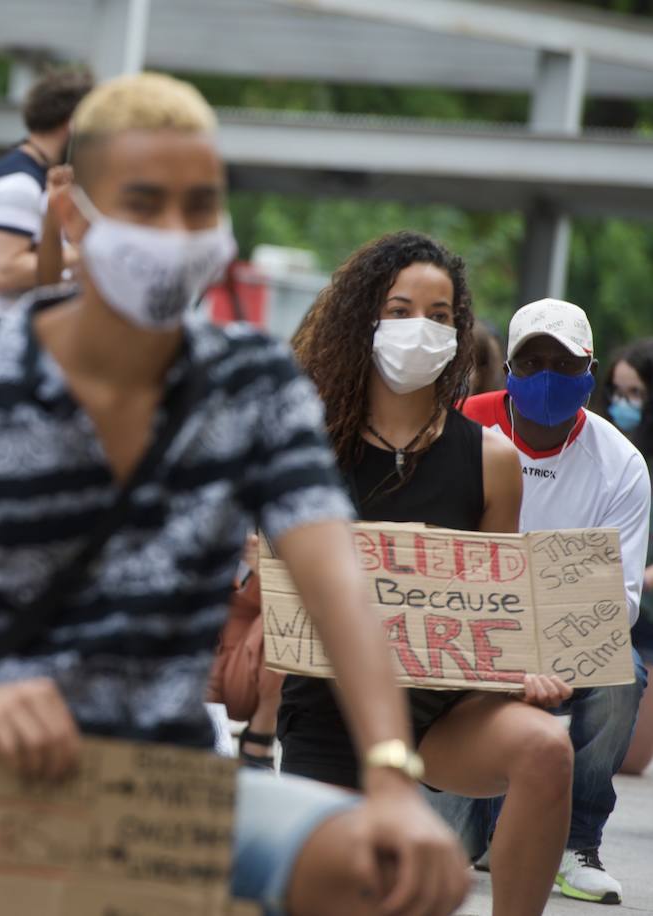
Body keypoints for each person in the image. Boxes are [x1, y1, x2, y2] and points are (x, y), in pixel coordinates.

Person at [0, 72, 470, 916]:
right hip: (1, 786)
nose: (176, 232)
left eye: (200, 206)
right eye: (144, 204)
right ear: (73, 214)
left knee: (382, 865)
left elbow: (336, 582)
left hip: (173, 790)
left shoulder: (252, 384)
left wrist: (392, 776)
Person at [282, 231, 573, 916]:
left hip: (446, 715)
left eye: (439, 316)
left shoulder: (492, 460)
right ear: (364, 321)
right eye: (401, 311)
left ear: (459, 331)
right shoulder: (307, 447)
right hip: (329, 715)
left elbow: (496, 605)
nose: (421, 329)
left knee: (546, 748)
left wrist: (519, 669)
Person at [454, 301, 652, 905]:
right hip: (467, 637)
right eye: (532, 361)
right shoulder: (462, 429)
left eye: (564, 364)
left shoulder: (620, 464)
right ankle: (485, 823)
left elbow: (620, 602)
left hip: (570, 639)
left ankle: (575, 841)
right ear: (507, 369)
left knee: (624, 674)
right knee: (449, 846)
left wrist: (540, 643)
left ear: (589, 371)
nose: (547, 375)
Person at [0, 69, 92, 331]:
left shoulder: (28, 175)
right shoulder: (20, 183)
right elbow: (5, 271)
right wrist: (84, 254)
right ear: (72, 123)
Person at [597, 339, 653, 775]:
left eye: (635, 393)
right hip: (598, 605)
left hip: (646, 614)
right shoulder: (604, 449)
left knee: (630, 762)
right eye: (617, 391)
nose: (623, 403)